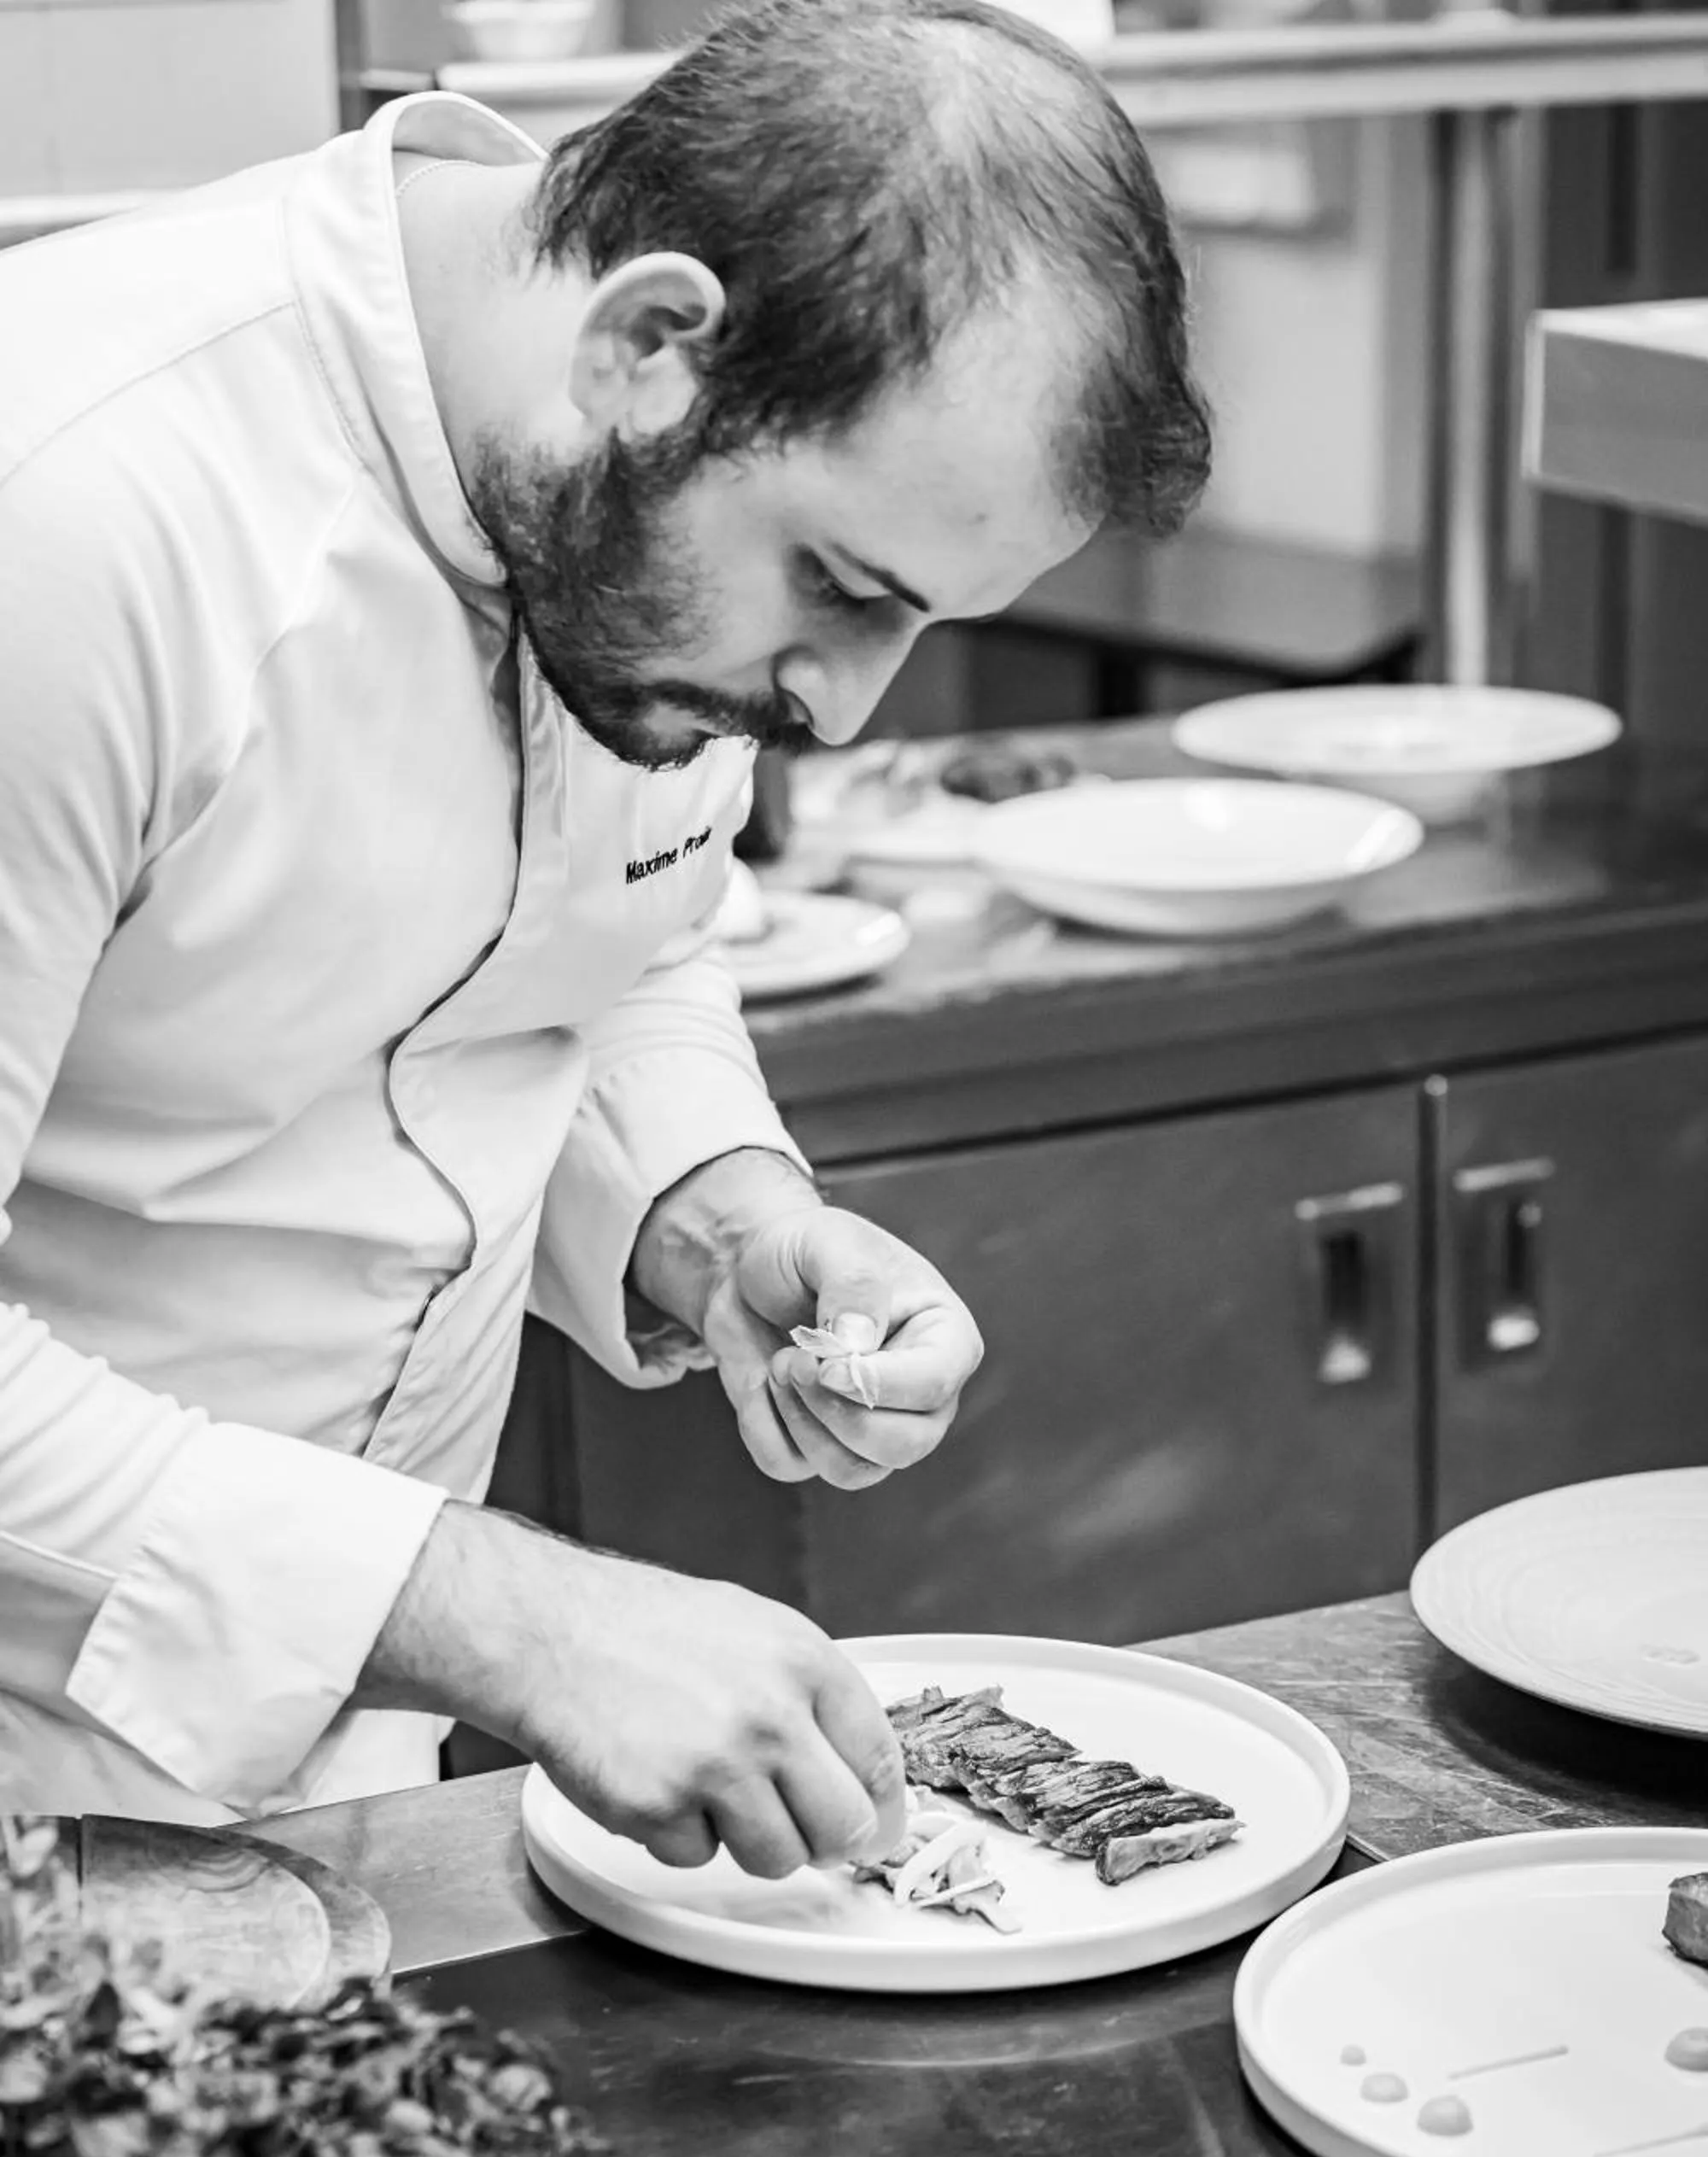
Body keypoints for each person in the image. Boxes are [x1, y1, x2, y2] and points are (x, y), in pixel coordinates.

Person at [0, 0, 1210, 1868]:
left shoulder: (608, 519)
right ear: (650, 341)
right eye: (843, 588)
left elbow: (604, 942)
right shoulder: (69, 516)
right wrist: (522, 1621)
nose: (844, 709)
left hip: (328, 1772)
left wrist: (712, 1216)